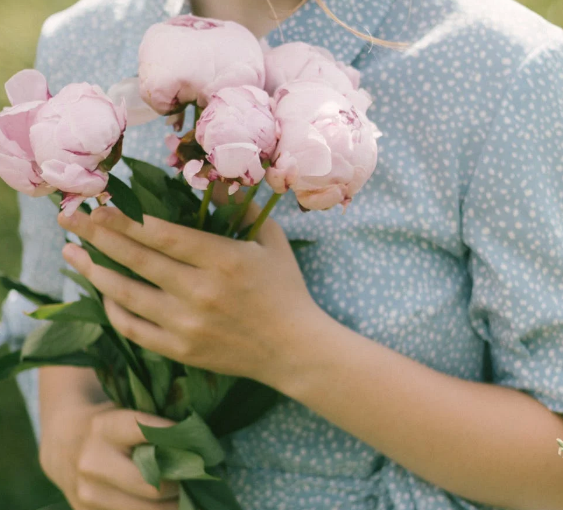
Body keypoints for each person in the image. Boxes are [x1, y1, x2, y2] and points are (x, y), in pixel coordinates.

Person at [1, 0, 563, 508]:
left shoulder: (501, 69)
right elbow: (51, 302)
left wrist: (294, 351)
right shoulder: (84, 40)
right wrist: (72, 437)